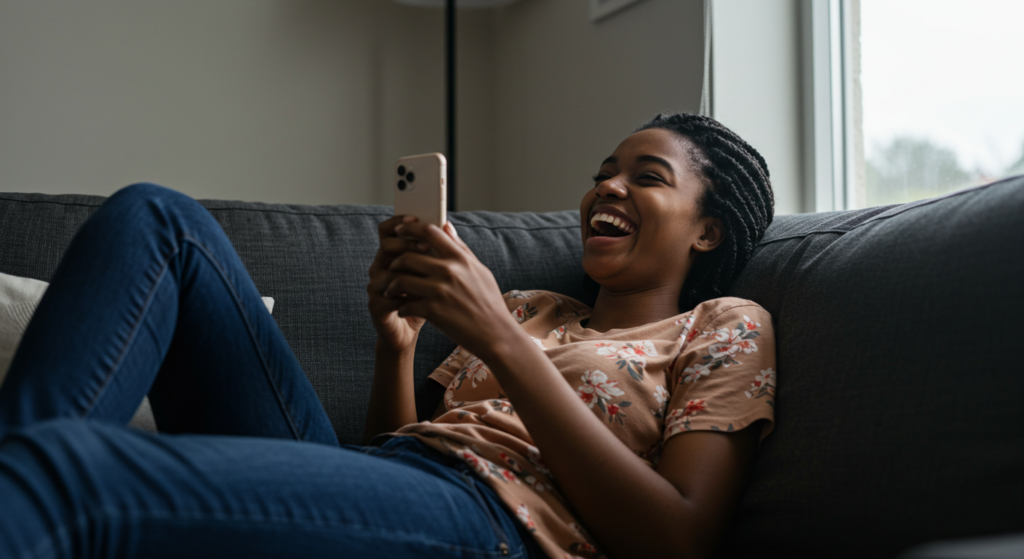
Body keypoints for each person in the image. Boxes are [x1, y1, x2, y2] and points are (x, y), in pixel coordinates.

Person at [0, 112, 775, 559]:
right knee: (158, 219)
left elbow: (679, 538)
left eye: (647, 176)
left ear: (706, 231)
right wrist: (394, 348)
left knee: (74, 468)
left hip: (501, 523)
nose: (607, 184)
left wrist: (501, 342)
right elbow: (399, 452)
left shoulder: (724, 324)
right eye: (605, 170)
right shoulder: (532, 307)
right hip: (403, 483)